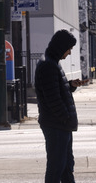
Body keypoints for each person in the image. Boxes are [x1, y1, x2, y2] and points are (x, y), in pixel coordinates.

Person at [35, 29, 84, 183]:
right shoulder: (48, 65)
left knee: (66, 167)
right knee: (57, 168)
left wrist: (70, 85)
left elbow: (55, 90)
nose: (69, 53)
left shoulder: (52, 63)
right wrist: (66, 118)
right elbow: (53, 99)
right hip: (57, 125)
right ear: (61, 47)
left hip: (60, 125)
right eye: (69, 48)